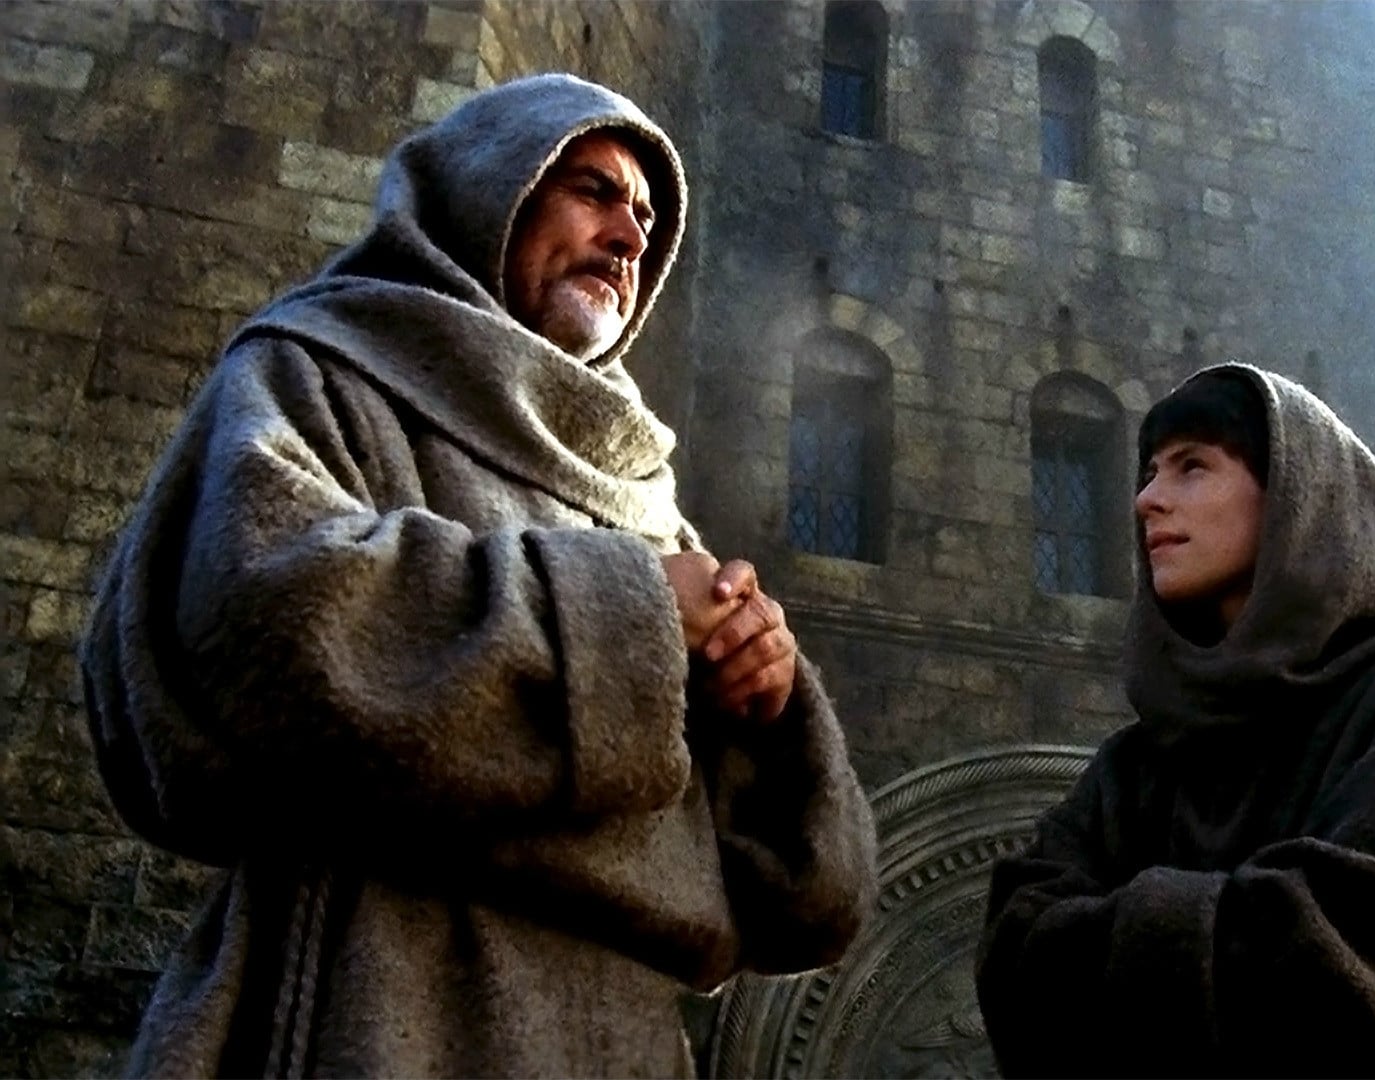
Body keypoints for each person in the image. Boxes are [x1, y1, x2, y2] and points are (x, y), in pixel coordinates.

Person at [80, 73, 878, 1079]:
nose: (628, 239)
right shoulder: (320, 371)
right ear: (493, 191)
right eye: (593, 192)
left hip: (625, 1042)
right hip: (378, 1002)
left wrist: (763, 706)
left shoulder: (642, 494)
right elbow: (257, 610)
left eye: (644, 219)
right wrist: (630, 615)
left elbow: (806, 904)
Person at [975, 364, 1375, 1077]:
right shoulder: (1138, 765)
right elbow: (1016, 954)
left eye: (1192, 467)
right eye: (1149, 473)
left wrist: (1121, 945)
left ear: (1293, 496)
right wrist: (1250, 932)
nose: (1147, 499)